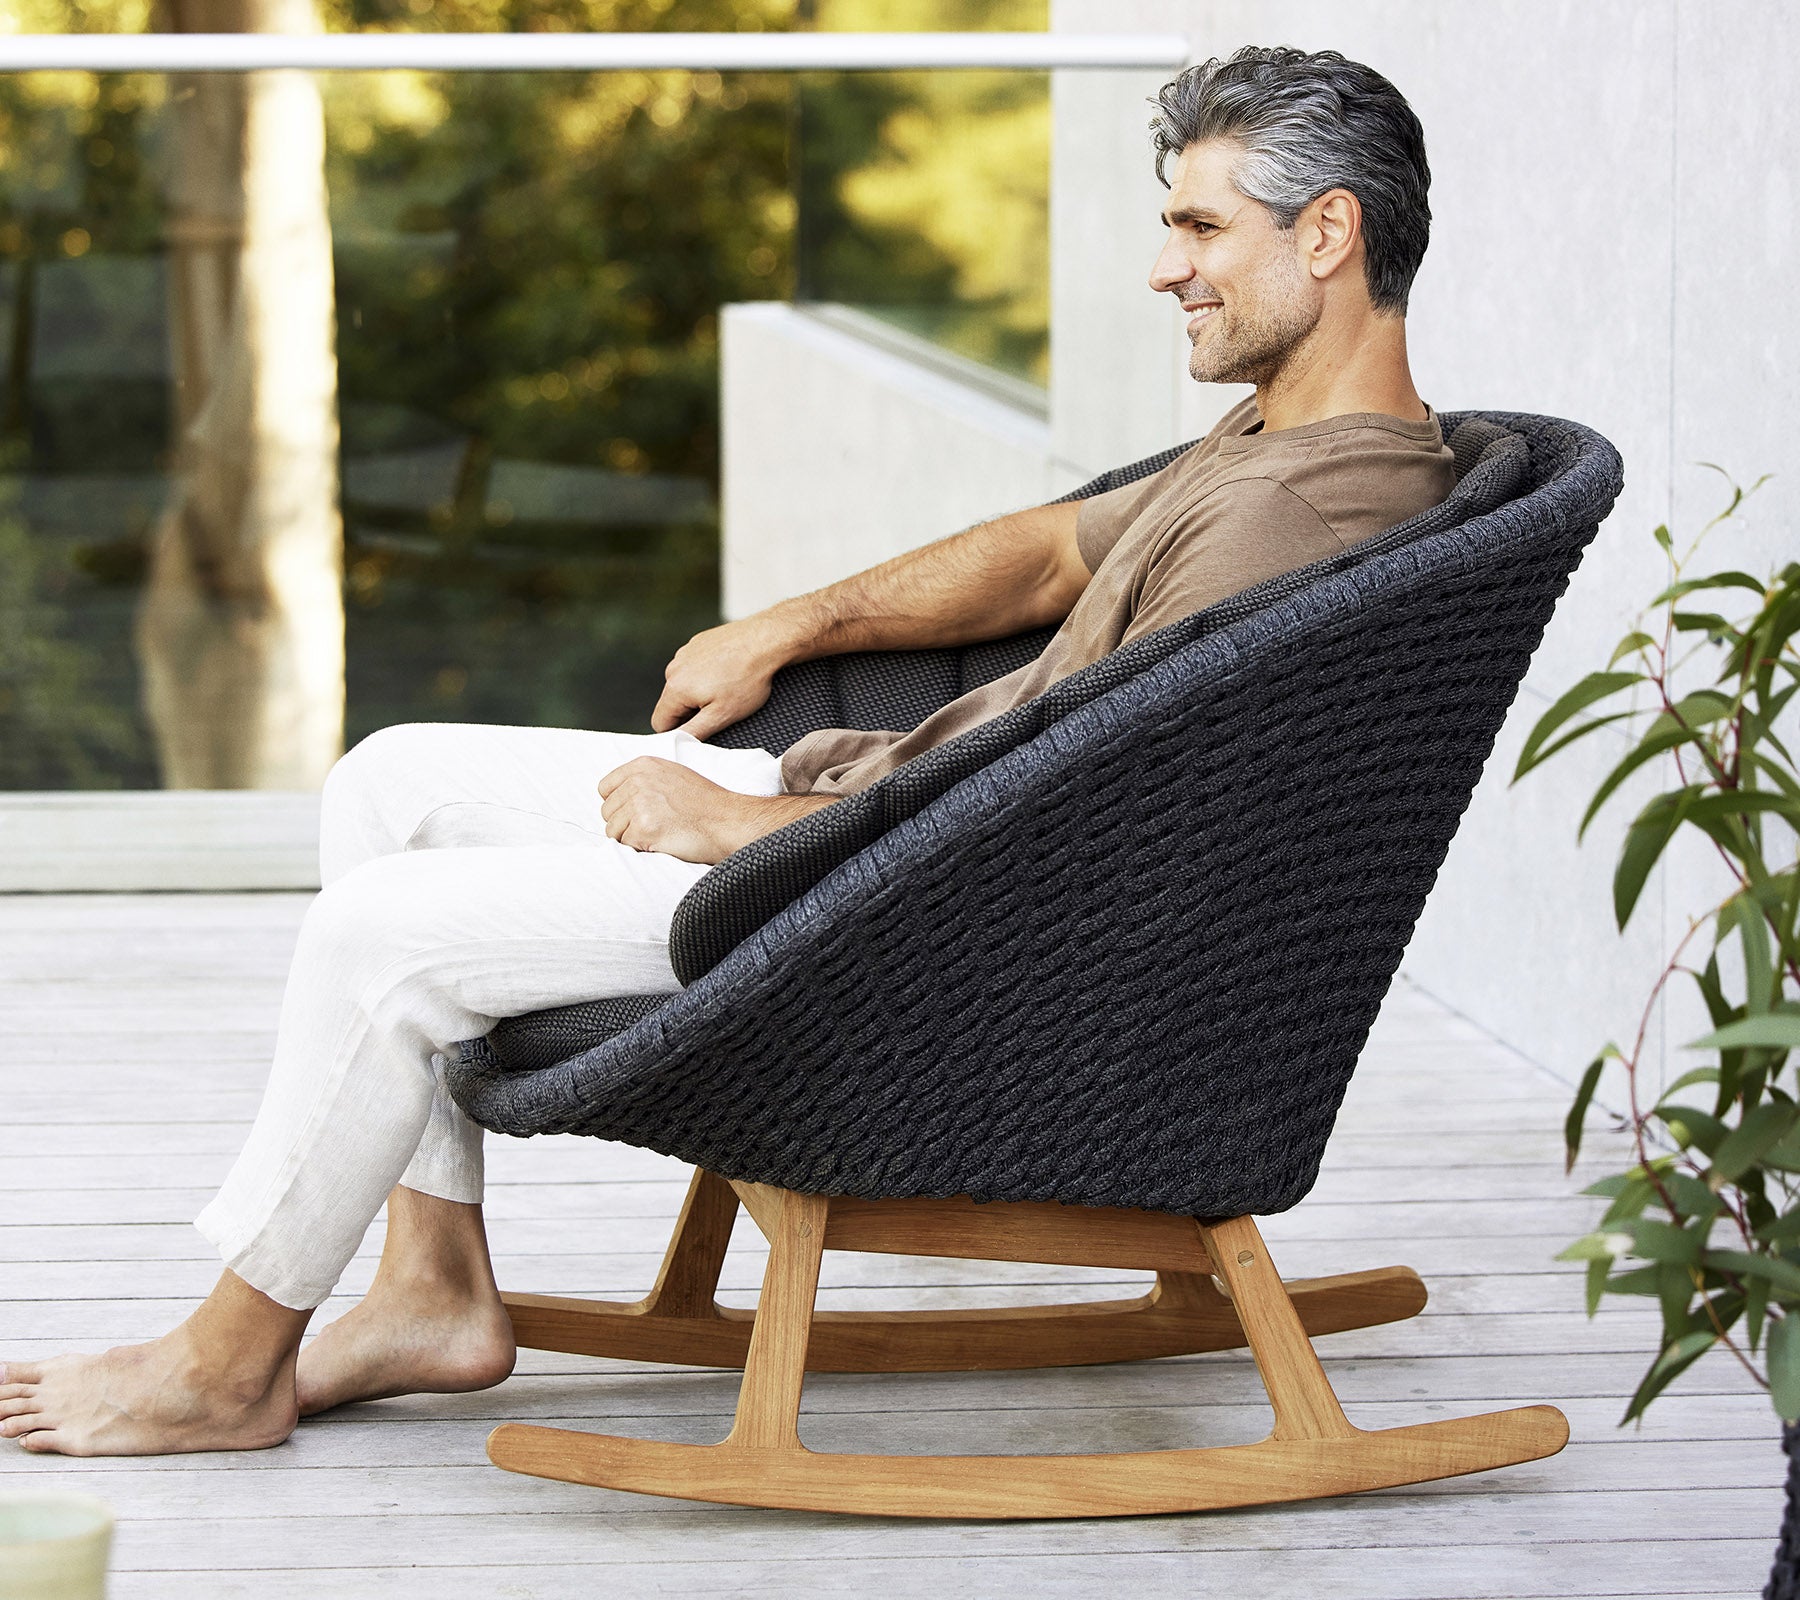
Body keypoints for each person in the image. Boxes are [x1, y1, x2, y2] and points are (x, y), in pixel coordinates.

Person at [0, 44, 1455, 1457]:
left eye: (1200, 226)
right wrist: (795, 622)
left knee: (384, 935)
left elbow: (1102, 814)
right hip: (886, 822)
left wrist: (749, 834)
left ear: (1328, 233)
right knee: (395, 783)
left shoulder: (1294, 520)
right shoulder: (1272, 442)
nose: (1165, 267)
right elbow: (1038, 562)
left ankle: (227, 1363)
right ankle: (430, 1287)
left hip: (902, 912)